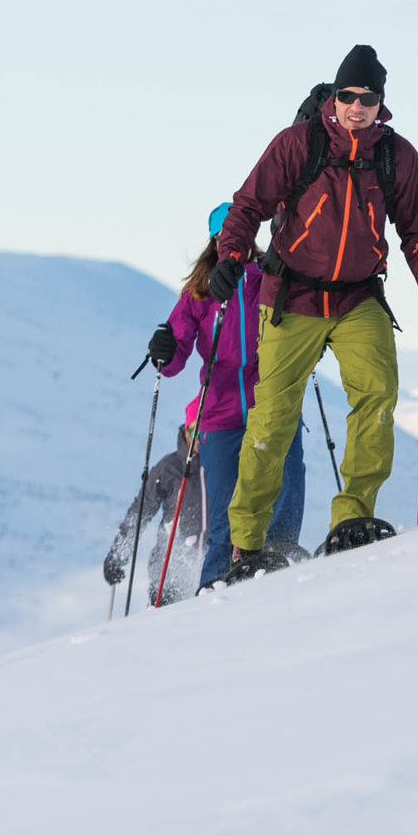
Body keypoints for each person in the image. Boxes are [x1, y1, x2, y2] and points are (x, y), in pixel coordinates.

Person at [206, 45, 418, 578]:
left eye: (367, 98)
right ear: (335, 97)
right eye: (348, 96)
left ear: (380, 103)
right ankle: (246, 547)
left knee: (378, 395)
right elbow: (248, 205)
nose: (356, 106)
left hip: (358, 296)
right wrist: (230, 255)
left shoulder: (397, 156)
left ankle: (352, 519)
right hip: (292, 295)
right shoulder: (300, 143)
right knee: (271, 419)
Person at [145, 203, 310, 589]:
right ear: (214, 241)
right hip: (219, 414)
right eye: (224, 236)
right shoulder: (199, 293)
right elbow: (174, 357)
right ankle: (215, 586)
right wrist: (164, 350)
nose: (233, 243)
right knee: (223, 513)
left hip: (268, 401)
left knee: (286, 478)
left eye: (240, 234)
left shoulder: (270, 276)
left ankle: (281, 553)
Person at [103, 406, 205, 604]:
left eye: (204, 432)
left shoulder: (219, 465)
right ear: (185, 431)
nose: (199, 439)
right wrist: (119, 554)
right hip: (169, 574)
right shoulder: (170, 468)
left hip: (212, 567)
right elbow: (141, 510)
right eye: (194, 432)